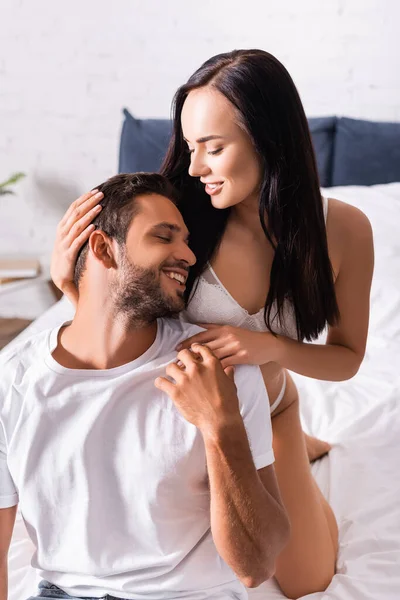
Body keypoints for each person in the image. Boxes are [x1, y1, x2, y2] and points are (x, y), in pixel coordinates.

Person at [50, 50, 374, 598]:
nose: (195, 167)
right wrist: (71, 284)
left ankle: (304, 455)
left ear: (268, 140)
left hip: (268, 409)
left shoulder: (343, 230)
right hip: (172, 418)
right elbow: (117, 307)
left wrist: (268, 346)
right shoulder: (174, 216)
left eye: (214, 148)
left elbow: (347, 358)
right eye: (191, 146)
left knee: (307, 582)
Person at [0, 173, 290, 600]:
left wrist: (220, 425)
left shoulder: (217, 368)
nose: (188, 255)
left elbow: (257, 565)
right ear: (102, 248)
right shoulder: (14, 382)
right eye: (164, 237)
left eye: (188, 241)